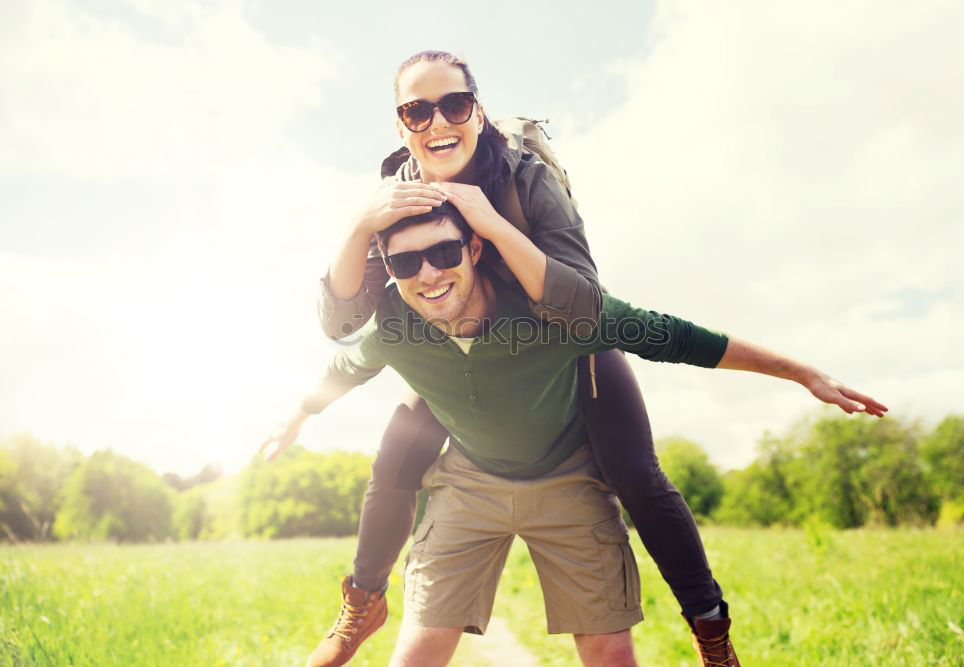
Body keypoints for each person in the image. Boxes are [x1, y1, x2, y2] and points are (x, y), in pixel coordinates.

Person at [300, 50, 886, 666]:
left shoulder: (525, 179)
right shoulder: (395, 196)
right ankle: (362, 603)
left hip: (565, 336)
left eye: (454, 104)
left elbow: (586, 307)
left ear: (478, 110)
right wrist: (357, 229)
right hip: (458, 344)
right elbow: (343, 325)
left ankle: (710, 629)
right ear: (400, 125)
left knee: (635, 474)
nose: (437, 121)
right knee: (397, 453)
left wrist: (493, 224)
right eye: (417, 110)